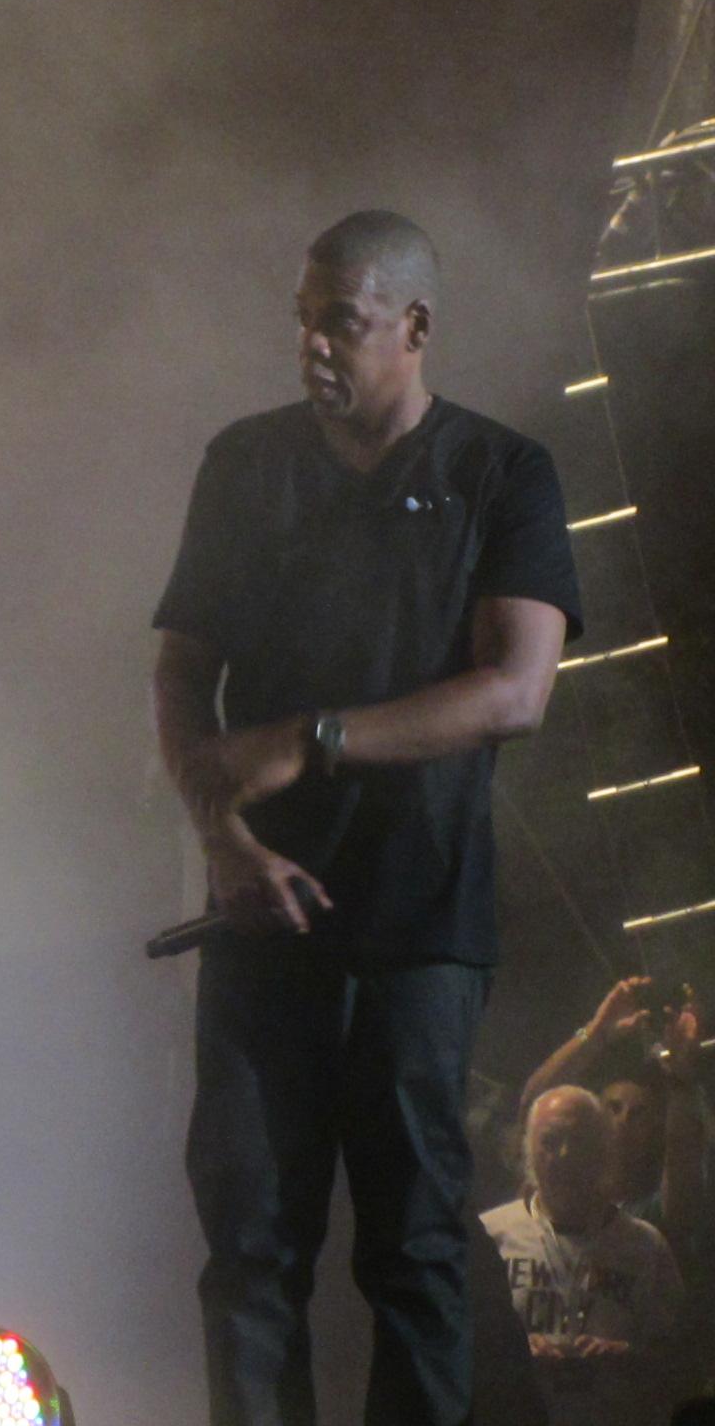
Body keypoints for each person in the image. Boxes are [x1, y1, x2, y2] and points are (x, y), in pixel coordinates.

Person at [152, 210, 583, 1426]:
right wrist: (222, 840)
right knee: (248, 1253)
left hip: (418, 928)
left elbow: (518, 690)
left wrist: (310, 737)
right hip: (257, 917)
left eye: (338, 322)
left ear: (413, 325)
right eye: (301, 321)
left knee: (412, 1253)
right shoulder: (245, 464)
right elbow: (180, 672)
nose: (312, 349)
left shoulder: (499, 472)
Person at [482, 1087, 685, 1426]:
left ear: (604, 1152)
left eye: (578, 1142)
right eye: (550, 1141)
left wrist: (627, 1356)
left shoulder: (645, 1247)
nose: (563, 1155)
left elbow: (680, 1358)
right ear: (528, 1151)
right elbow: (448, 1345)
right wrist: (512, 1353)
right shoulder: (491, 1237)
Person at [519, 978, 706, 1260]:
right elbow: (536, 1106)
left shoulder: (648, 1217)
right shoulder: (557, 1185)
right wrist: (596, 1032)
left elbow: (682, 1180)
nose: (623, 1121)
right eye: (613, 1108)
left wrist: (681, 1080)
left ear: (657, 1130)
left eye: (638, 1113)